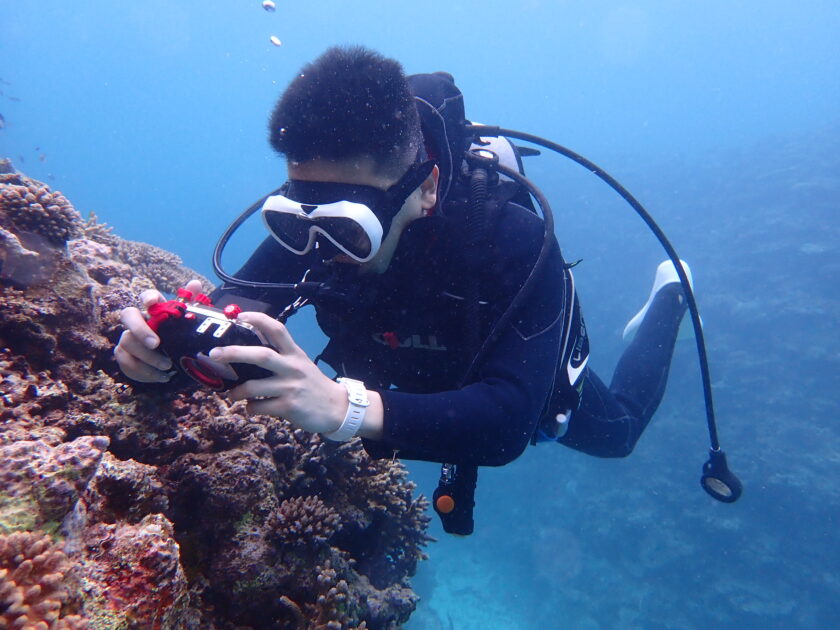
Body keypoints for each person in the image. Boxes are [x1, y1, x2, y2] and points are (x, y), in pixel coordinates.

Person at [114, 46, 690, 533]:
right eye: (295, 219)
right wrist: (159, 354)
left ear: (426, 190)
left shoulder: (513, 240)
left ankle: (671, 293)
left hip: (495, 371)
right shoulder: (314, 228)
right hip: (408, 374)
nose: (320, 244)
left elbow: (509, 422)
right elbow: (243, 316)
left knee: (617, 435)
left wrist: (345, 407)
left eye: (346, 226)